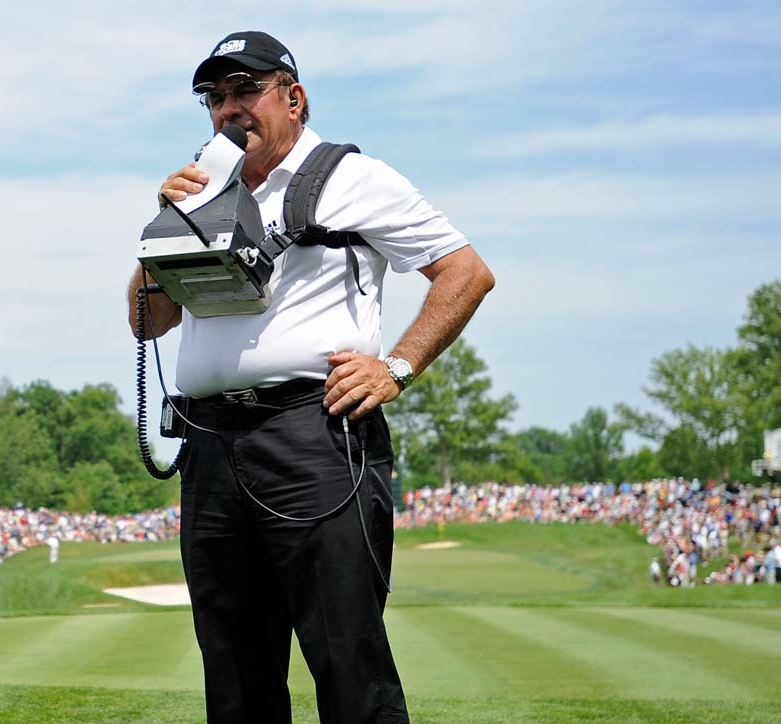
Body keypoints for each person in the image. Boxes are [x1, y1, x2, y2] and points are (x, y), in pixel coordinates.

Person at [128, 31, 493, 724]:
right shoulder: (203, 190)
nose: (229, 109)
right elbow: (147, 322)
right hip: (211, 444)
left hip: (315, 436)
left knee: (348, 662)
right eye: (215, 97)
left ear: (293, 98)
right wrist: (167, 227)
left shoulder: (356, 179)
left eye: (246, 90)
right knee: (234, 675)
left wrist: (396, 367)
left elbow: (466, 272)